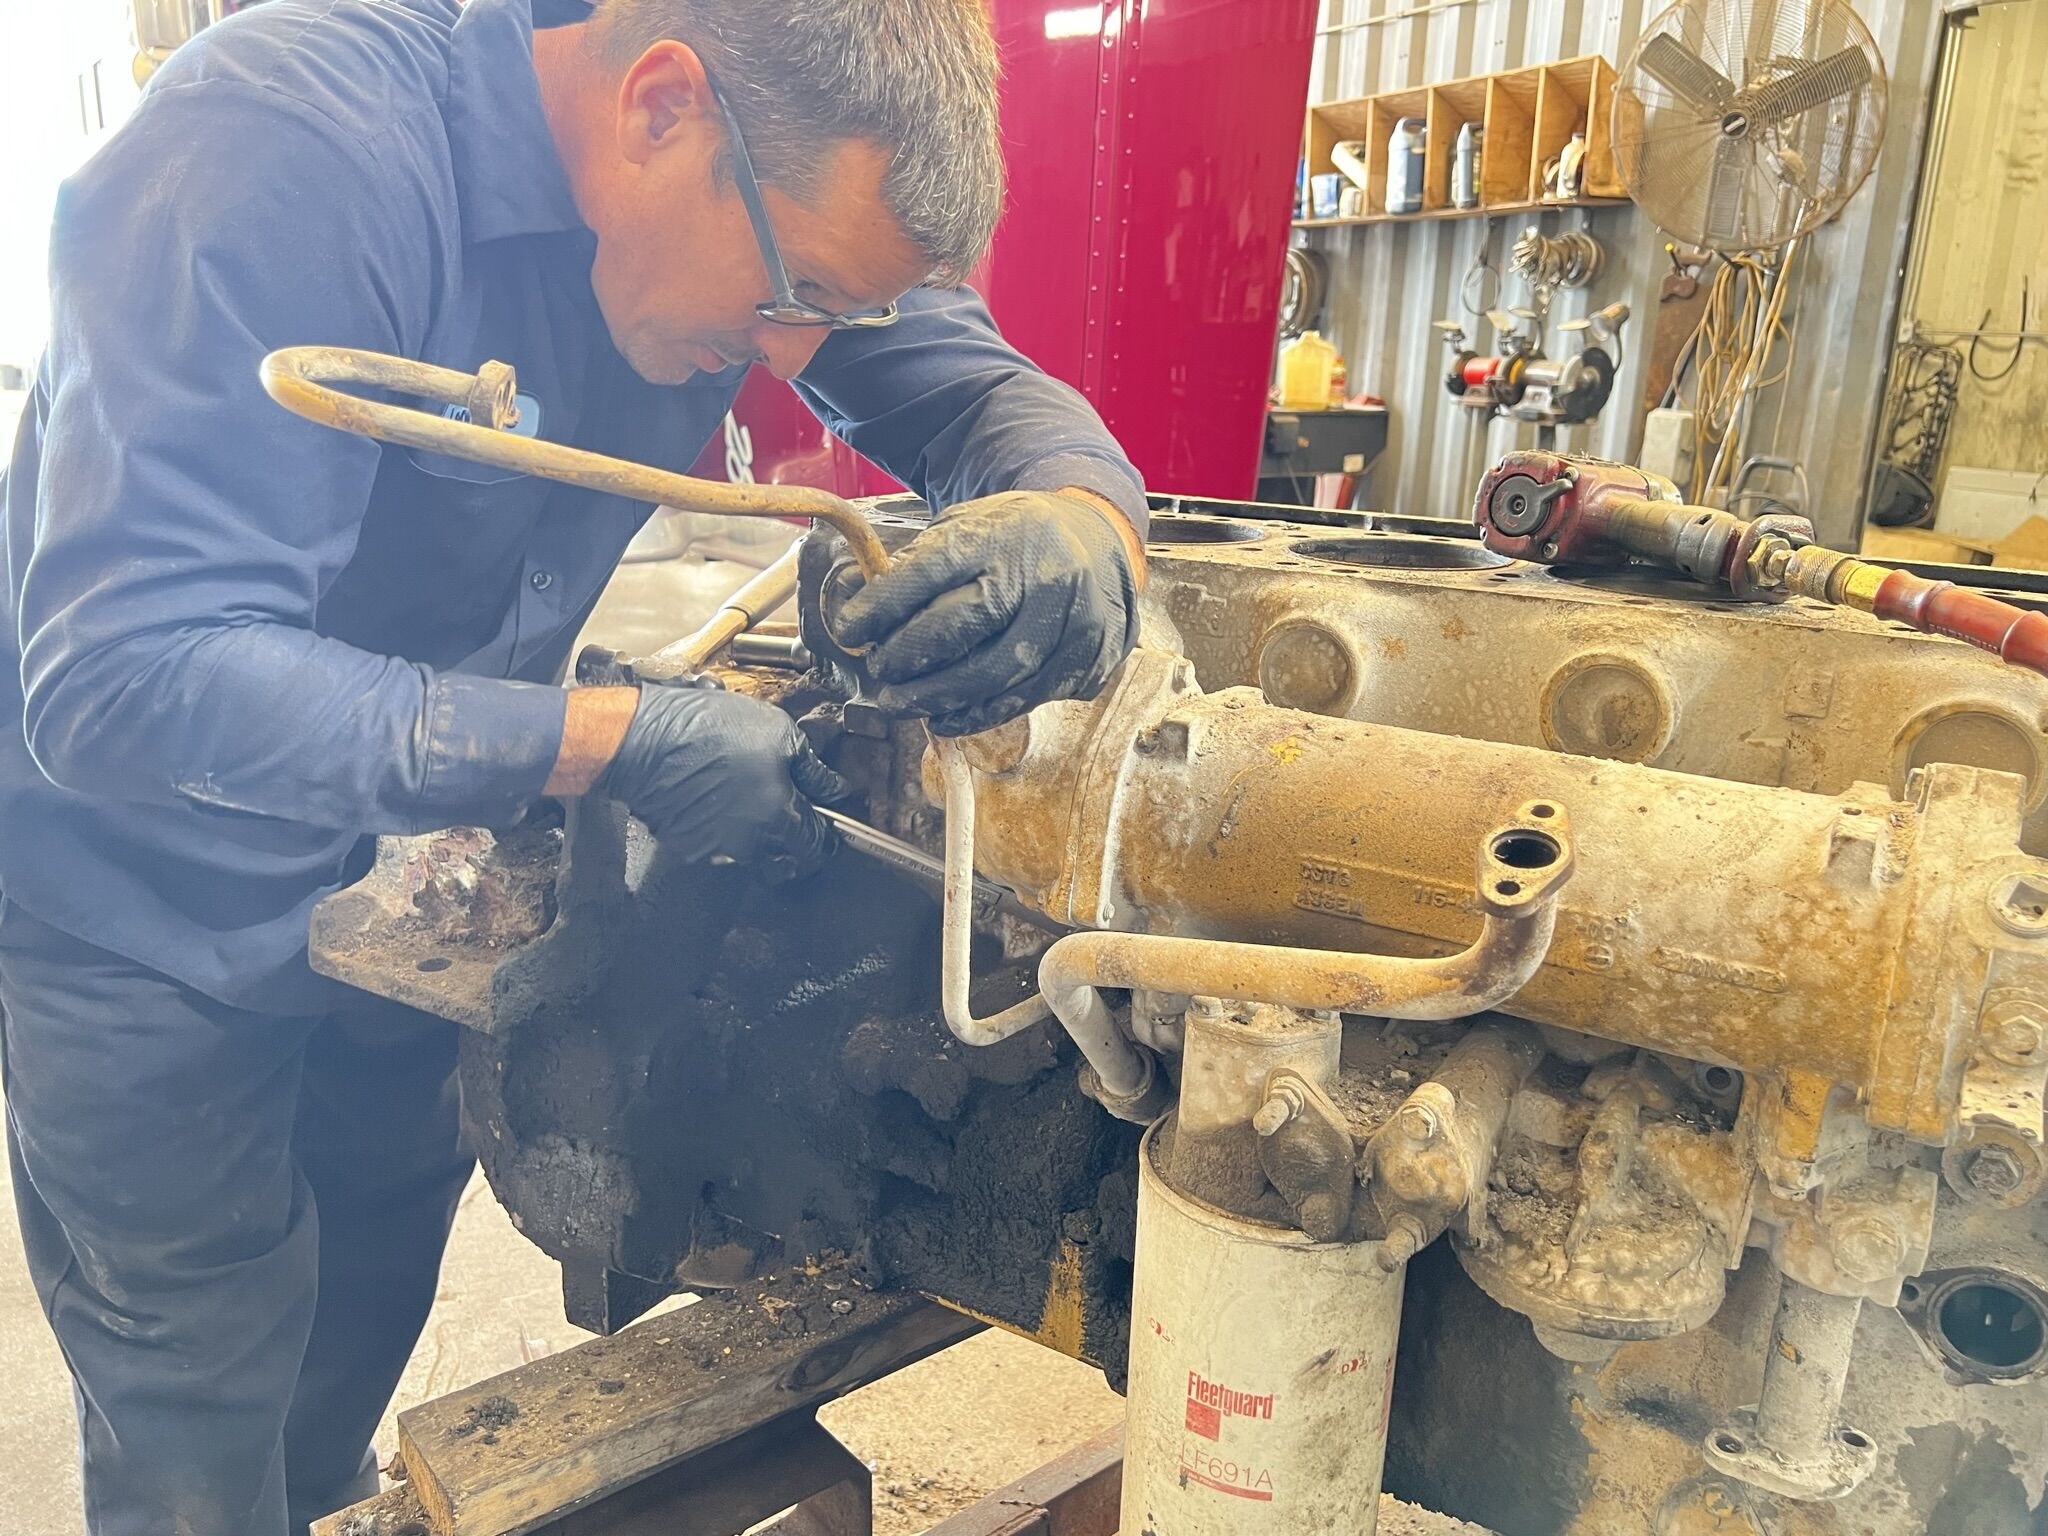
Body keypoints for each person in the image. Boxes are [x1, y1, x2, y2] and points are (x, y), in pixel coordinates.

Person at [0, 1, 1149, 1530]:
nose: (789, 359)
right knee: (198, 1394)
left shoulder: (755, 219)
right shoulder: (288, 150)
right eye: (795, 290)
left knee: (352, 1325)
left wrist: (1085, 522)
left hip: (402, 882)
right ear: (661, 106)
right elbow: (120, 680)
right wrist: (605, 740)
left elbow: (977, 392)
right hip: (141, 908)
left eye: (834, 316)